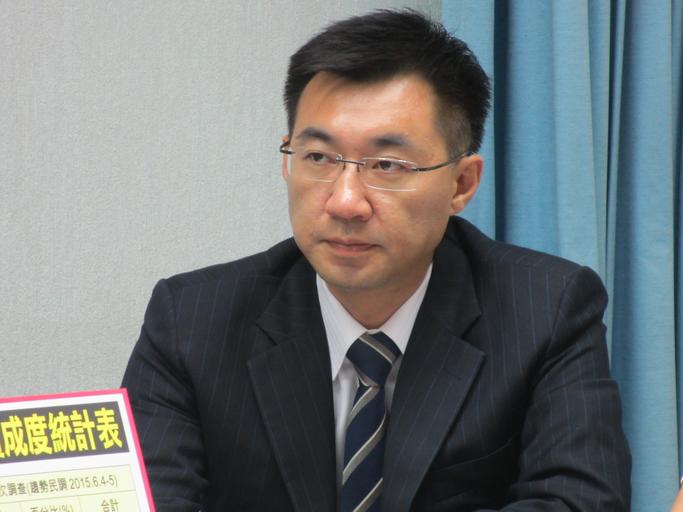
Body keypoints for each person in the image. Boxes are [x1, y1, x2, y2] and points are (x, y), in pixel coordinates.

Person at [122, 9, 631, 511]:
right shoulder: (191, 322)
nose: (345, 202)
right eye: (318, 158)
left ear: (462, 184)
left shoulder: (546, 311)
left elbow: (579, 502)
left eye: (387, 165)